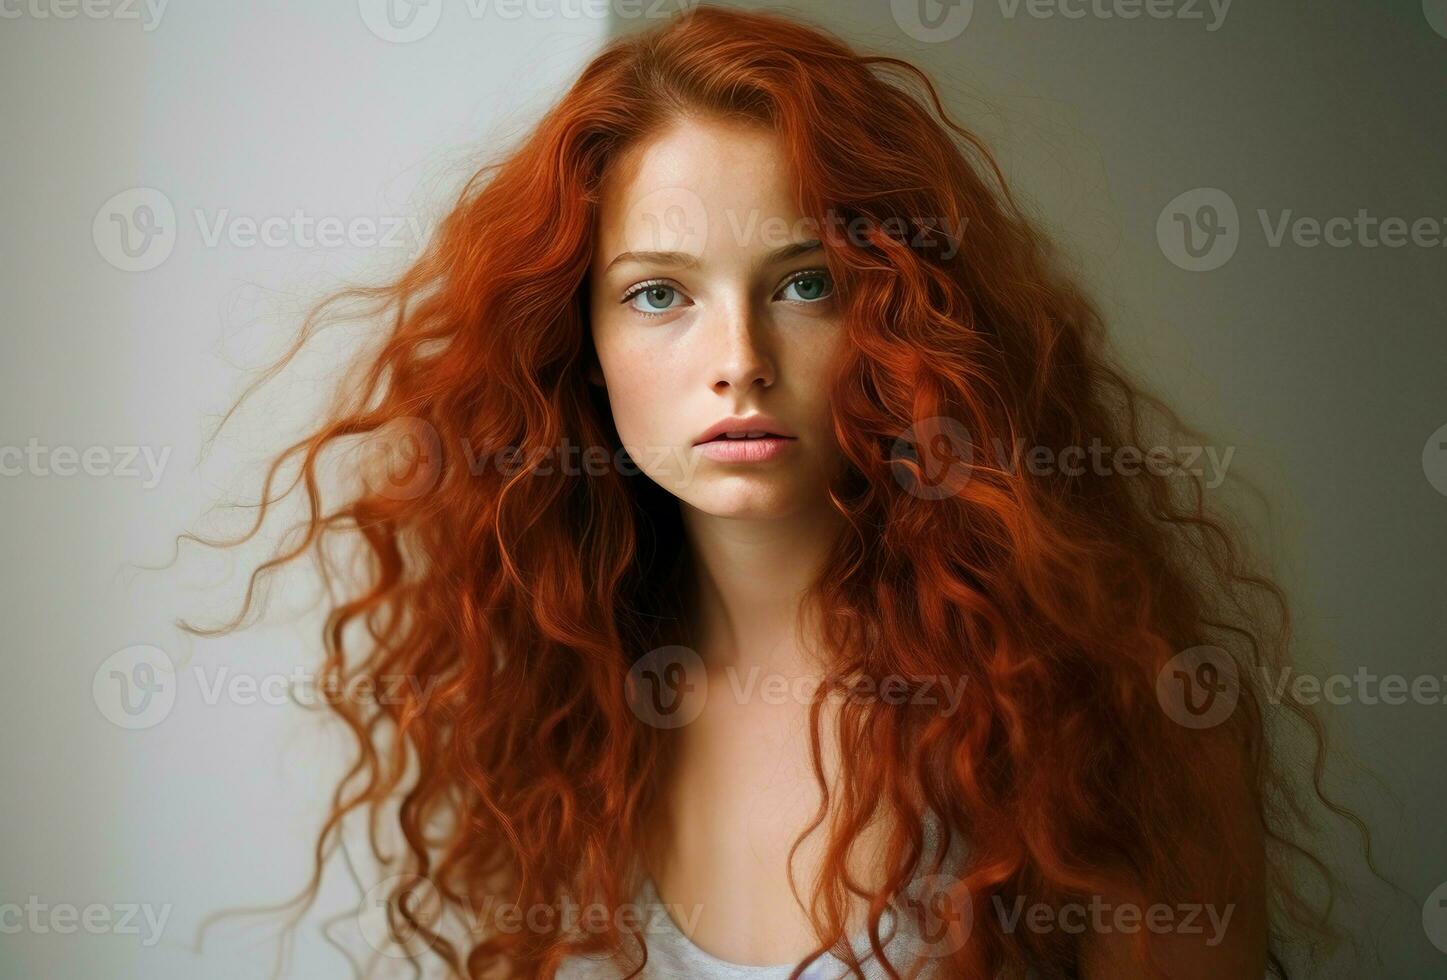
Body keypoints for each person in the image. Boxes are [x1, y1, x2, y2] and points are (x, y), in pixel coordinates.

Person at [193, 5, 1364, 978]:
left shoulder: (1103, 709)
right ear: (576, 342)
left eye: (804, 281)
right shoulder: (556, 701)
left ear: (907, 314)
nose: (738, 356)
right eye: (660, 294)